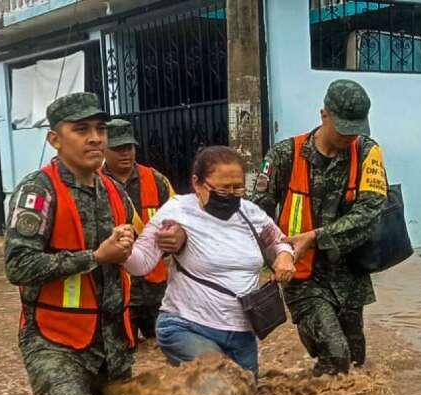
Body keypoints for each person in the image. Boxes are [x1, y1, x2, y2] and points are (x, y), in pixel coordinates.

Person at [2, 92, 185, 395]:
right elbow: (18, 266)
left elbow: (138, 254)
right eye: (81, 129)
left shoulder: (114, 190)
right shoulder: (38, 192)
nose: (95, 138)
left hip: (112, 346)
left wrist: (173, 240)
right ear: (55, 139)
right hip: (55, 343)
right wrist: (94, 257)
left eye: (100, 129)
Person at [250, 79, 388, 376]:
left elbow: (370, 212)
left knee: (355, 362)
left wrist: (314, 237)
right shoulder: (284, 155)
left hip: (350, 277)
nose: (349, 136)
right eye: (343, 127)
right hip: (303, 277)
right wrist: (277, 255)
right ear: (324, 114)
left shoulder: (367, 152)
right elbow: (256, 214)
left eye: (355, 129)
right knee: (337, 356)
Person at [126, 146, 295, 375]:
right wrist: (121, 247)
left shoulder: (249, 212)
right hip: (187, 326)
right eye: (223, 189)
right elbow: (140, 263)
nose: (232, 195)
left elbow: (279, 241)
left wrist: (284, 258)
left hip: (241, 333)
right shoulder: (178, 211)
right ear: (197, 184)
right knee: (222, 382)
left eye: (238, 188)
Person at [101, 118, 177, 340]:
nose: (125, 153)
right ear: (104, 150)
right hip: (117, 292)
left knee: (166, 351)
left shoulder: (156, 180)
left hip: (157, 290)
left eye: (129, 147)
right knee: (124, 356)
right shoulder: (95, 184)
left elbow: (179, 223)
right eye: (118, 148)